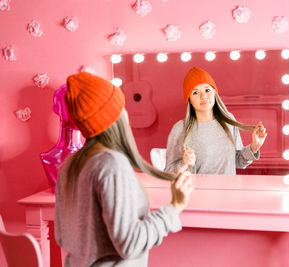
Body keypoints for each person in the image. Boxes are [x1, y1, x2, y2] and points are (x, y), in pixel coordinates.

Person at [54, 72, 193, 267]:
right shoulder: (112, 164)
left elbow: (62, 237)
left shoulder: (69, 166)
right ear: (114, 115)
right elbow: (130, 244)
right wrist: (174, 207)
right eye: (122, 106)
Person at [165, 66, 267, 175]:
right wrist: (185, 164)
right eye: (195, 92)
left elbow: (237, 161)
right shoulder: (180, 128)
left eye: (207, 90)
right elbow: (168, 171)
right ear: (189, 99)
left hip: (228, 190)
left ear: (214, 93)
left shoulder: (229, 121)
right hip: (197, 191)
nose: (203, 96)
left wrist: (254, 147)